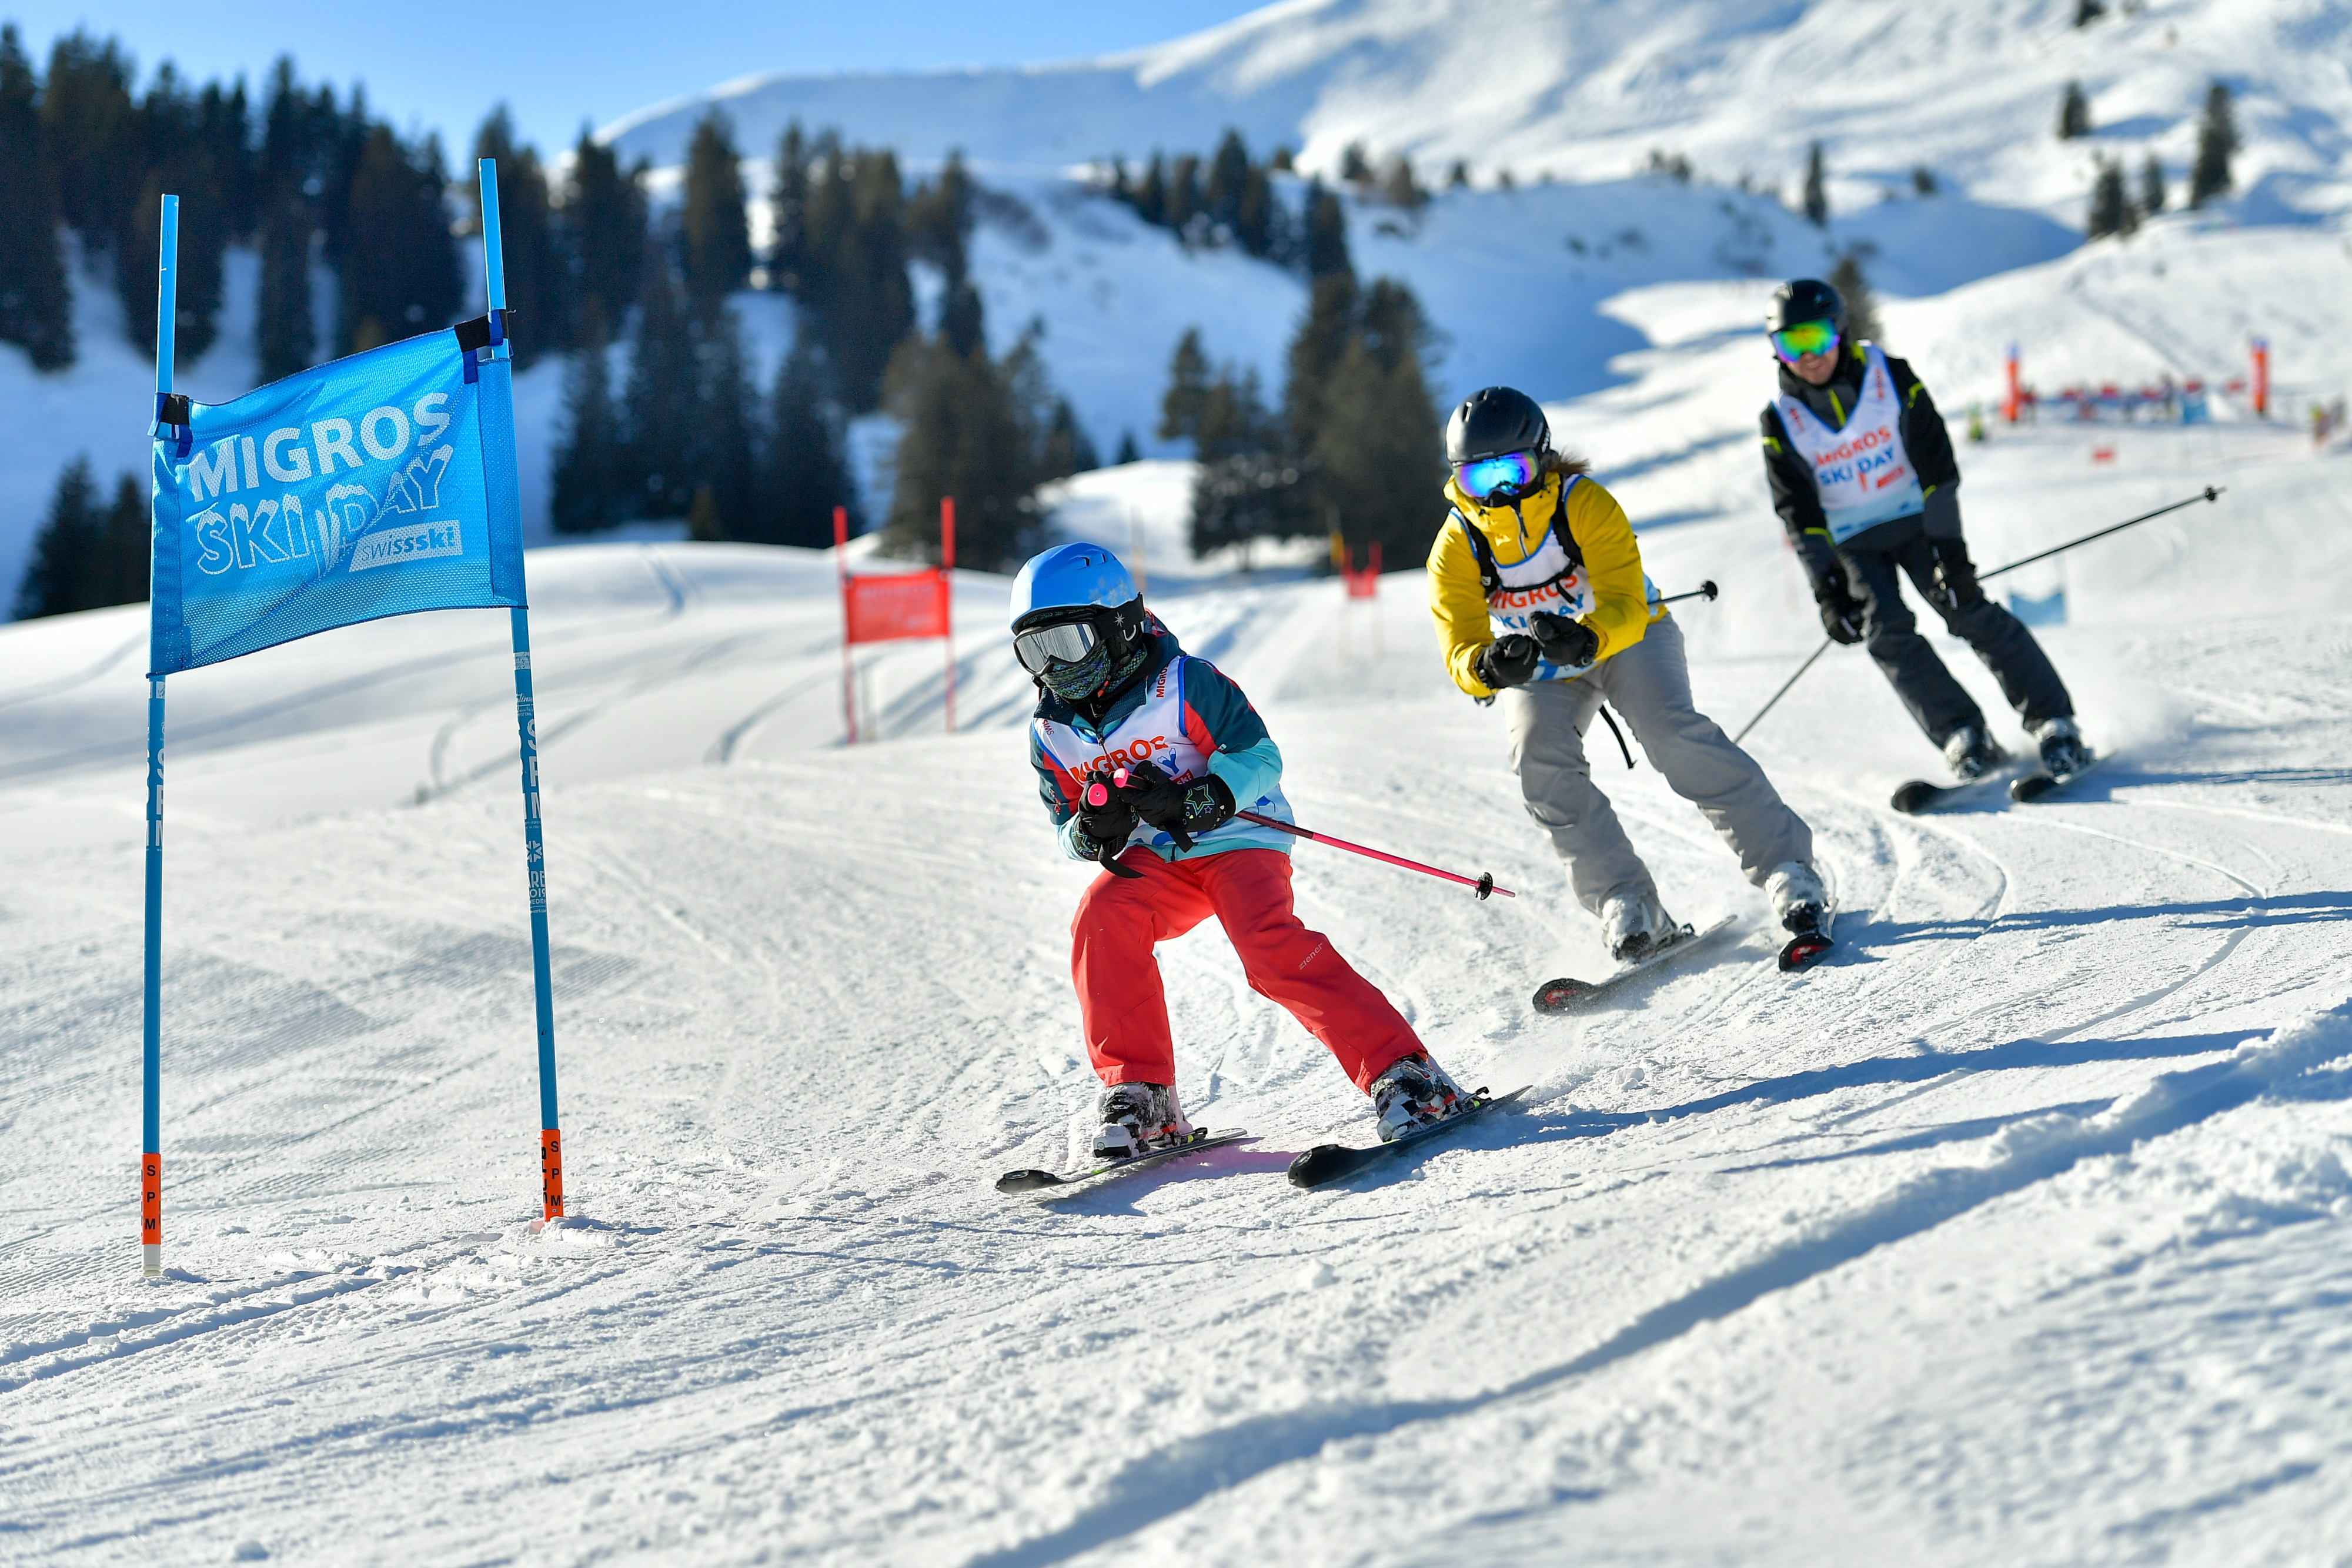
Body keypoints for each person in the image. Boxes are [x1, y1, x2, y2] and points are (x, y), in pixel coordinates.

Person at [1013, 541, 1466, 1156]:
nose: (1054, 668)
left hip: (1237, 839)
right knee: (1101, 918)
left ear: (1116, 624)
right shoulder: (1053, 731)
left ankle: (1404, 1072)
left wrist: (1202, 798)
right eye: (1034, 652)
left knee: (1266, 947)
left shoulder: (1183, 684)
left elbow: (1260, 757)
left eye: (1066, 644)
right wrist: (1094, 829)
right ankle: (1142, 1094)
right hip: (1157, 859)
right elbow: (1066, 824)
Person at [1427, 386, 1831, 963]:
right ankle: (1627, 900)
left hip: (1628, 637)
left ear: (1540, 458)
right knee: (1537, 762)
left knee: (1671, 733)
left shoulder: (1583, 504)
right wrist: (1488, 666)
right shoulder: (1456, 546)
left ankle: (1787, 868)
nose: (1499, 491)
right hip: (1542, 669)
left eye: (1512, 471)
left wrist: (1590, 636)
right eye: (1478, 479)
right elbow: (1459, 650)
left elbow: (1624, 601)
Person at [1759, 278, 2092, 781]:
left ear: (1841, 333)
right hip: (1853, 540)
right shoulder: (1781, 420)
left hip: (1919, 522)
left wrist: (1951, 551)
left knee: (1964, 606)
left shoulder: (1889, 377)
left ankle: (2053, 720)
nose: (1808, 357)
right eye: (1791, 344)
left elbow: (1937, 468)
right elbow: (1799, 514)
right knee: (1885, 630)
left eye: (1817, 338)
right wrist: (1827, 587)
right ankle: (1964, 733)